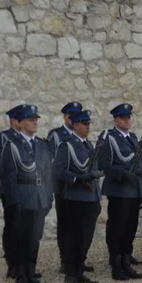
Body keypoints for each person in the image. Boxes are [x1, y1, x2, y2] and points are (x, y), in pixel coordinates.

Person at [0, 104, 53, 283]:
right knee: (20, 238)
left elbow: (47, 174)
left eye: (36, 119)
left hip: (38, 197)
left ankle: (31, 272)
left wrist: (48, 198)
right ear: (20, 123)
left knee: (34, 238)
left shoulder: (41, 145)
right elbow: (8, 177)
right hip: (22, 197)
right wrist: (14, 202)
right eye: (30, 119)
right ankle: (20, 275)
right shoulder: (11, 146)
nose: (35, 122)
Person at [52, 109, 103, 283]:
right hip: (75, 197)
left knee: (86, 236)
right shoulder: (66, 146)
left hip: (90, 197)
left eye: (89, 124)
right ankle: (71, 272)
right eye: (84, 124)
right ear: (75, 125)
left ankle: (79, 268)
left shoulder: (89, 145)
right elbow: (57, 171)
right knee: (75, 235)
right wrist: (76, 178)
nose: (87, 127)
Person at [99, 103, 142, 281]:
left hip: (133, 191)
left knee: (130, 228)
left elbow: (139, 165)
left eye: (128, 117)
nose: (127, 120)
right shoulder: (108, 137)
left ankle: (126, 262)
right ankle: (116, 264)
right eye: (123, 118)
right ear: (115, 120)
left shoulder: (133, 138)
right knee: (117, 228)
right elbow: (104, 164)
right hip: (119, 190)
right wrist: (123, 174)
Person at [47, 101, 84, 273]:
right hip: (63, 186)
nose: (73, 118)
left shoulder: (81, 135)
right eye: (70, 115)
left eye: (76, 115)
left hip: (80, 186)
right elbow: (54, 162)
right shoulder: (56, 135)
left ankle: (78, 259)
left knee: (79, 223)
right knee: (65, 223)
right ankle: (65, 260)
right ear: (65, 117)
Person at [0, 105, 25, 279]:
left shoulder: (28, 139)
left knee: (28, 228)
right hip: (12, 189)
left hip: (29, 191)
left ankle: (26, 264)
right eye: (23, 118)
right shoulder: (3, 138)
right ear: (13, 120)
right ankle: (12, 263)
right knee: (13, 227)